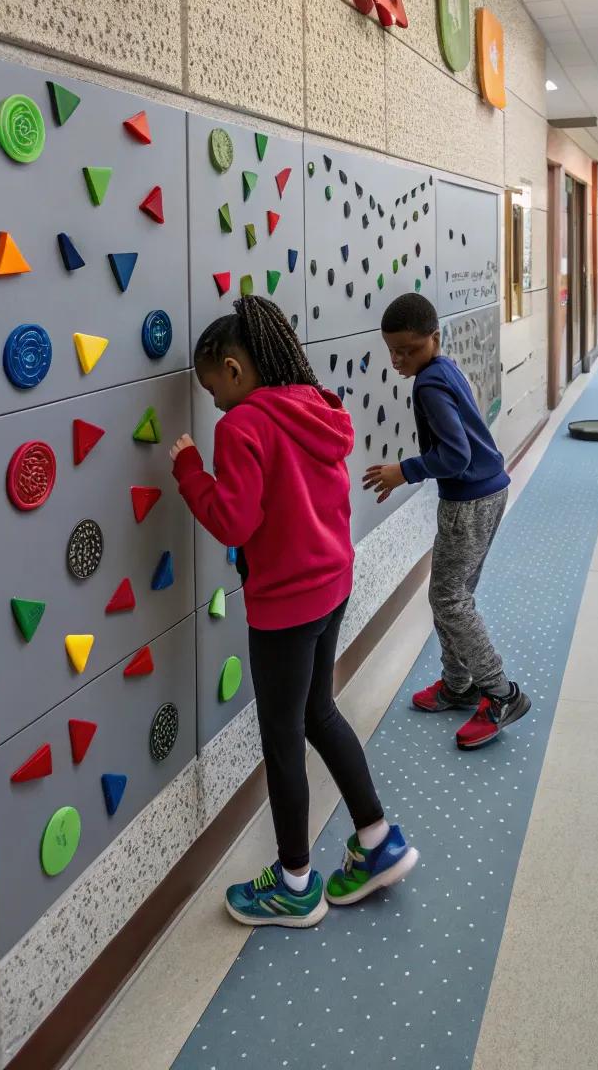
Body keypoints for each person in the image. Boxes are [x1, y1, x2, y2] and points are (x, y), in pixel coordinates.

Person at [170, 295, 418, 927]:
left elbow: (233, 521)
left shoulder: (241, 427)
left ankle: (295, 884)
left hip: (283, 606)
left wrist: (190, 471)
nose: (215, 404)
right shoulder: (315, 404)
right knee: (319, 712)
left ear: (233, 369)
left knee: (282, 742)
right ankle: (377, 840)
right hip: (332, 587)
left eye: (213, 389)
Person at [362, 293, 530, 750]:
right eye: (392, 351)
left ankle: (500, 693)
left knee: (449, 599)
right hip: (488, 491)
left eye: (408, 350)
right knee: (452, 594)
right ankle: (458, 685)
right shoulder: (442, 369)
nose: (398, 360)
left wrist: (404, 471)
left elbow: (455, 456)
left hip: (468, 502)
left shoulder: (428, 385)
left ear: (434, 338)